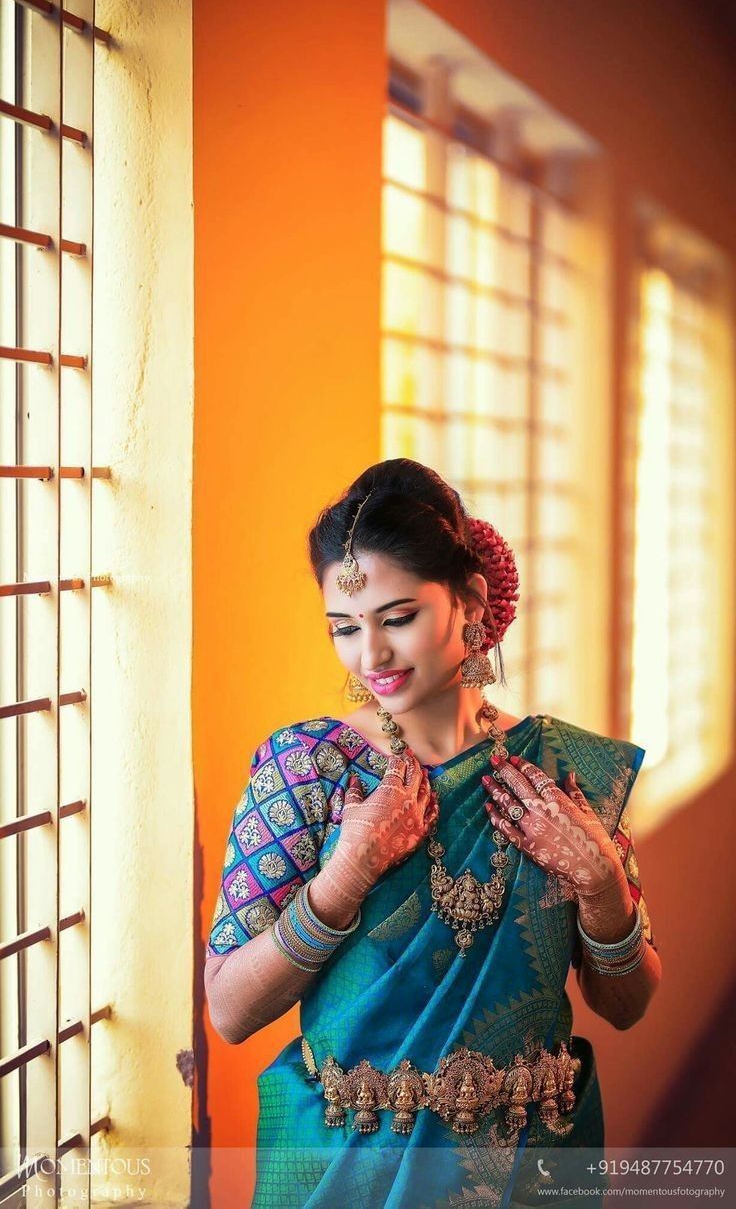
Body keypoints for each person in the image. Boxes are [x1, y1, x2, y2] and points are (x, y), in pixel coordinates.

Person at [204, 458, 661, 1208]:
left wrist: (605, 887)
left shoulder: (567, 772)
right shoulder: (310, 769)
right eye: (344, 629)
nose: (370, 656)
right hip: (345, 1170)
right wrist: (344, 876)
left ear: (471, 600)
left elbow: (628, 1003)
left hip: (531, 1165)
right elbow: (228, 1012)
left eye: (398, 617)